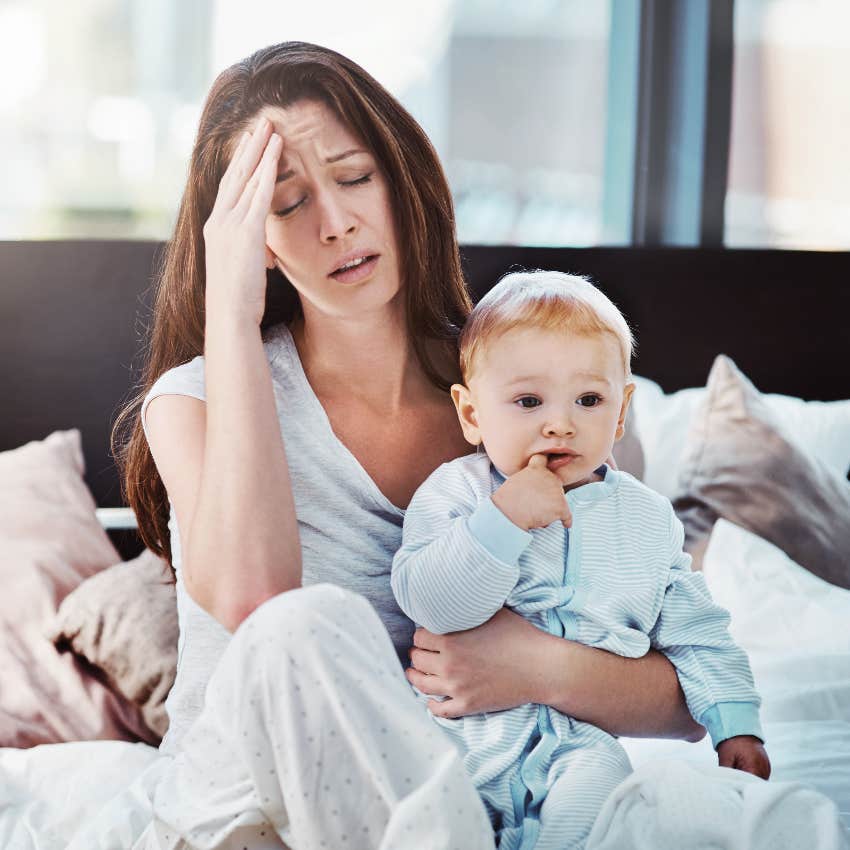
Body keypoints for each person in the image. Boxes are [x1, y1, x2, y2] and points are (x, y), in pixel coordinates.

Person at [109, 41, 706, 849]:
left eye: (355, 178)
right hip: (248, 818)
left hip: (471, 805)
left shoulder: (536, 401)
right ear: (254, 241)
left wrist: (532, 666)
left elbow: (687, 700)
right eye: (287, 205)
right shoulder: (193, 403)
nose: (337, 222)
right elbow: (258, 604)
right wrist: (232, 316)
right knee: (300, 626)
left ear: (402, 177)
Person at [391, 270, 771, 849]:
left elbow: (699, 633)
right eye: (528, 400)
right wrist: (504, 519)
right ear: (471, 415)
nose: (560, 422)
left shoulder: (646, 520)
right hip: (459, 738)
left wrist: (735, 724)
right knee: (425, 820)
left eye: (589, 400)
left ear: (619, 413)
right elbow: (430, 601)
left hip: (579, 744)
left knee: (602, 799)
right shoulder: (458, 494)